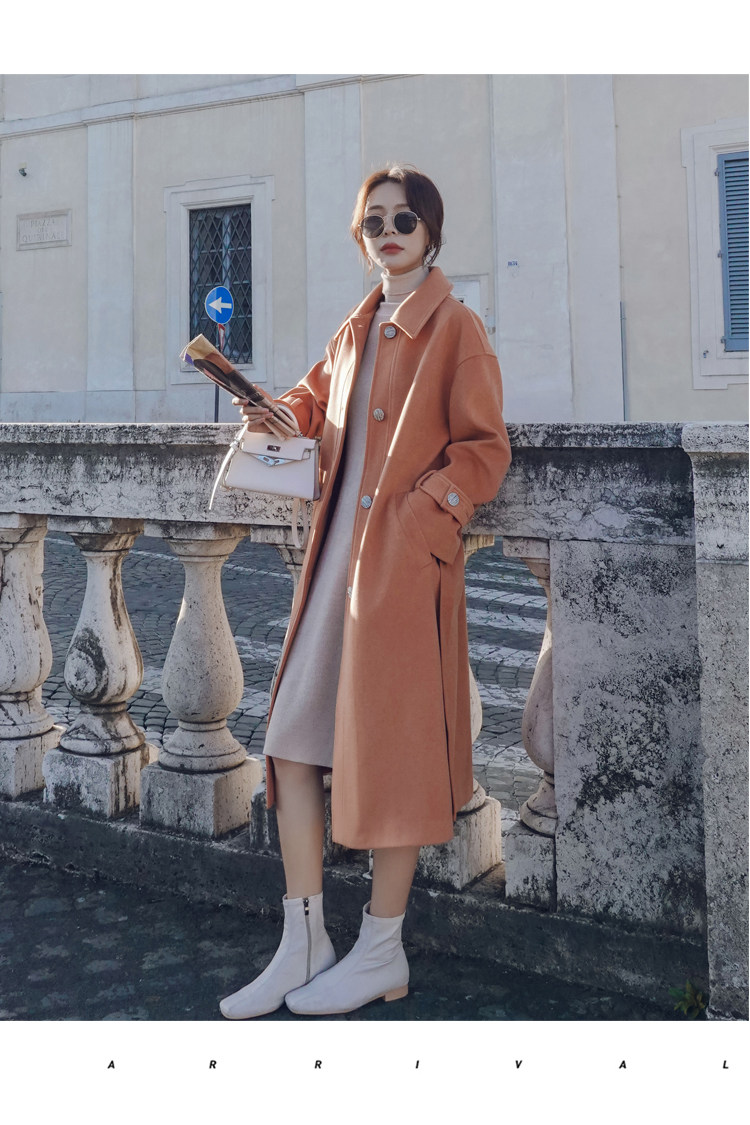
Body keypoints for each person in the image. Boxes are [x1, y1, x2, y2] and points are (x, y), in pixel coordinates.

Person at [220, 165, 511, 1019]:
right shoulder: (357, 327)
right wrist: (274, 412)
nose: (388, 233)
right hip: (333, 571)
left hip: (400, 575)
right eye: (373, 222)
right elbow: (312, 403)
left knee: (394, 755)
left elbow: (485, 450)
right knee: (289, 739)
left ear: (431, 230)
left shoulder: (457, 328)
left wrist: (424, 521)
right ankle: (304, 937)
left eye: (403, 219)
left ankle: (382, 949)